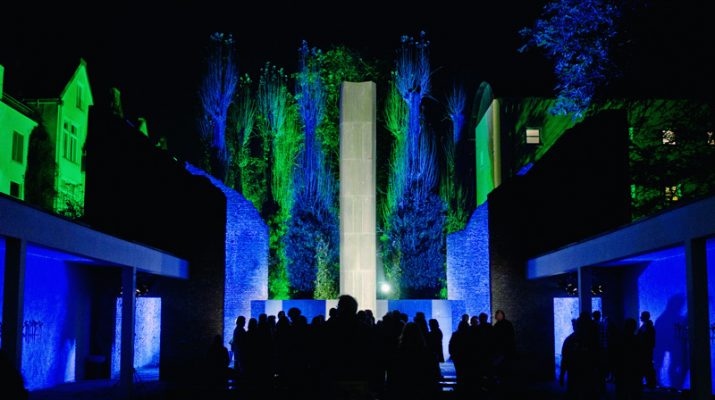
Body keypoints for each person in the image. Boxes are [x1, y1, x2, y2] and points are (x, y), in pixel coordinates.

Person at [388, 322, 440, 400]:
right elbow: (436, 375)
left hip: (403, 392)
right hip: (423, 392)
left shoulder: (396, 355)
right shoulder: (430, 355)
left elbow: (392, 378)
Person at [492, 310, 515, 381]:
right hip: (504, 348)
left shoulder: (498, 325)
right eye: (497, 315)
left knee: (502, 365)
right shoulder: (506, 324)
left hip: (503, 349)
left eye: (498, 315)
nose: (496, 316)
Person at [636, 311, 656, 389]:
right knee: (648, 366)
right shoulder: (647, 326)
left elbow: (644, 338)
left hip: (645, 351)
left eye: (641, 316)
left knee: (647, 366)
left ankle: (650, 383)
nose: (640, 317)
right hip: (646, 350)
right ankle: (650, 383)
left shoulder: (646, 327)